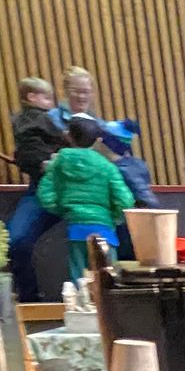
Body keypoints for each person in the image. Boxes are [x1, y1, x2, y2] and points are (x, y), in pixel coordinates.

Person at [33, 116, 133, 283]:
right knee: (109, 279)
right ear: (98, 140)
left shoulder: (59, 162)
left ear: (68, 136)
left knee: (78, 279)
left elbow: (45, 193)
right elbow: (125, 200)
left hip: (75, 227)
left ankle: (81, 307)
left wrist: (62, 208)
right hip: (105, 229)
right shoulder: (106, 166)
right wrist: (114, 218)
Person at [6, 77, 63, 300]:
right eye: (47, 98)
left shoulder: (37, 123)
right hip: (43, 188)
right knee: (17, 239)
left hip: (65, 187)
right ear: (32, 98)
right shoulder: (38, 122)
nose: (51, 103)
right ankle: (29, 298)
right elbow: (31, 156)